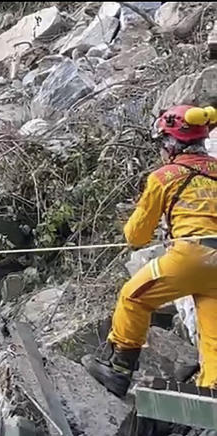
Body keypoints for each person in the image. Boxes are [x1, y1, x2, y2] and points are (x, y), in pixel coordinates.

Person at [83, 105, 217, 397]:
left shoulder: (164, 177)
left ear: (170, 145)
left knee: (133, 297)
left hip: (190, 256)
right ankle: (212, 396)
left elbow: (136, 236)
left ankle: (119, 370)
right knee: (214, 336)